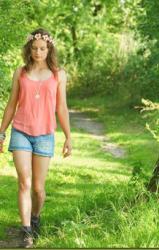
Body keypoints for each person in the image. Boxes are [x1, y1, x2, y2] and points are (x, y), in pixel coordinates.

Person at [0, 28, 72, 248]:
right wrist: (2, 131)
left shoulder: (59, 74)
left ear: (49, 49)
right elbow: (12, 104)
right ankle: (26, 232)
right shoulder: (20, 72)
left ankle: (36, 217)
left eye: (42, 48)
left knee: (38, 189)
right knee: (24, 181)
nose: (38, 52)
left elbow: (61, 107)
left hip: (45, 135)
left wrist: (68, 137)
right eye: (34, 48)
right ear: (29, 49)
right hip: (21, 131)